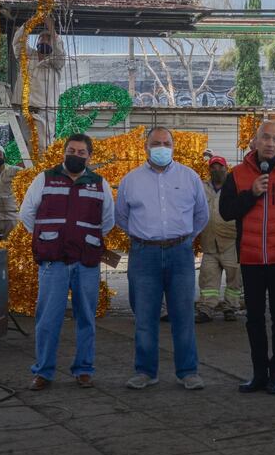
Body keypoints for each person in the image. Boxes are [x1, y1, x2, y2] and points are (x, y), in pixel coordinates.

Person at [116, 127, 209, 391]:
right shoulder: (131, 180)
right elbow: (121, 217)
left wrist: (185, 239)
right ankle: (145, 371)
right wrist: (145, 236)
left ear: (173, 146)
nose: (161, 147)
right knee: (145, 317)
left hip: (180, 253)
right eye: (156, 143)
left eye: (166, 143)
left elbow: (201, 215)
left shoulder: (189, 177)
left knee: (183, 315)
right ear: (145, 148)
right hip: (143, 255)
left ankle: (188, 371)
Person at [19, 133, 115, 391]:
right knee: (48, 319)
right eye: (71, 150)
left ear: (89, 156)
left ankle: (84, 369)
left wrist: (84, 239)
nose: (76, 155)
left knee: (86, 317)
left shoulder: (99, 183)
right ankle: (44, 372)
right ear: (64, 152)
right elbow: (27, 214)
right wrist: (47, 239)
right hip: (54, 263)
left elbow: (108, 220)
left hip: (86, 262)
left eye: (81, 152)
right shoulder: (45, 179)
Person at [219, 120, 275, 395]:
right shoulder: (237, 174)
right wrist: (252, 193)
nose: (270, 143)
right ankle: (259, 373)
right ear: (255, 141)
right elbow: (226, 211)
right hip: (251, 257)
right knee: (254, 317)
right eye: (265, 138)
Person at [195, 155, 242, 323]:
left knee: (234, 278)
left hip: (231, 242)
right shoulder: (202, 187)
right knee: (208, 278)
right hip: (209, 243)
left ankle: (230, 308)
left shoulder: (234, 187)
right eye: (213, 167)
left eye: (220, 167)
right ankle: (206, 309)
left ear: (226, 168)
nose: (217, 170)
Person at [12, 16, 65, 156]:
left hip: (43, 112)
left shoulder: (55, 63)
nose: (45, 41)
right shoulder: (28, 56)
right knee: (27, 148)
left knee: (42, 148)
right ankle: (31, 176)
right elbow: (18, 42)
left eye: (49, 39)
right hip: (24, 110)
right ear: (37, 42)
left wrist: (51, 28)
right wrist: (32, 21)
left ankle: (40, 176)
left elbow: (60, 52)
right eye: (42, 38)